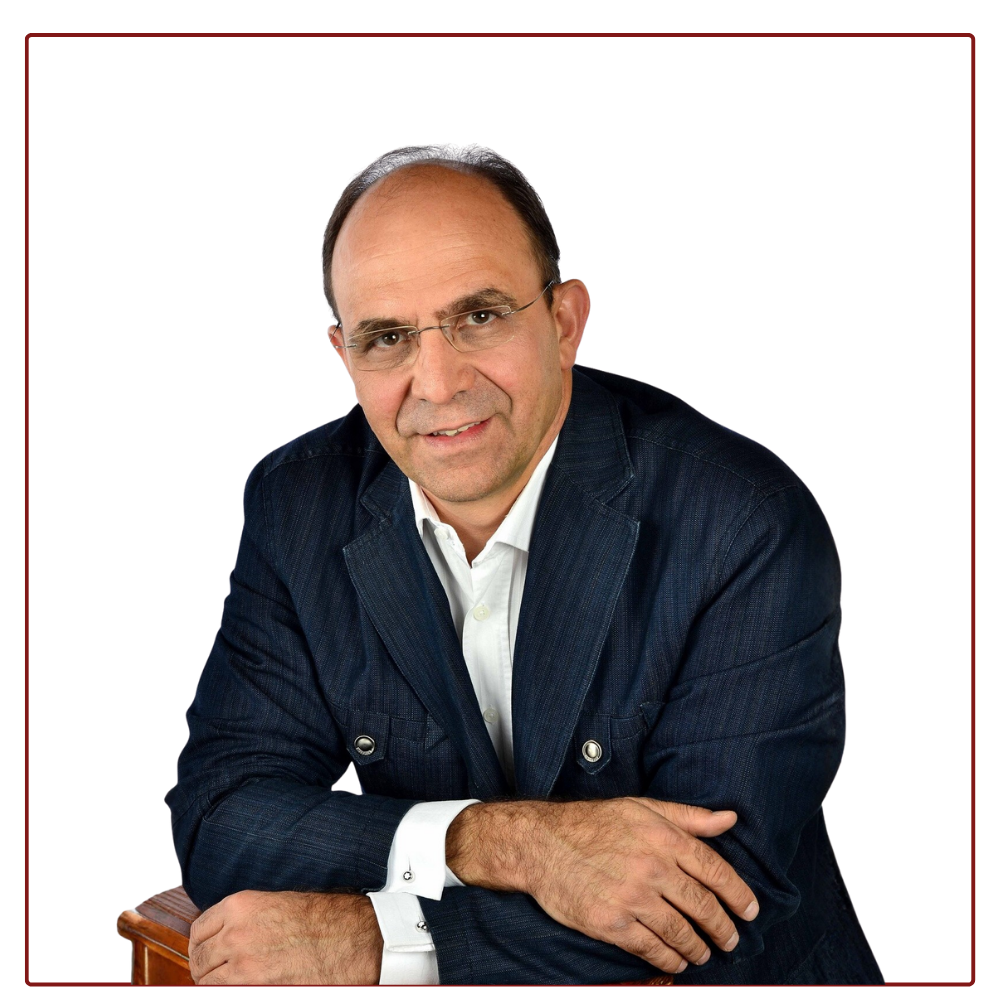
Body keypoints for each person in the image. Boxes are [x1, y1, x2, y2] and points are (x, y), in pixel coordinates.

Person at [166, 145, 883, 986]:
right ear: (344, 355)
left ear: (565, 319)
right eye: (388, 338)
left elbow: (715, 906)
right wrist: (505, 841)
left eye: (479, 316)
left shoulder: (741, 522)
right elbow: (223, 815)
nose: (436, 382)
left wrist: (376, 939)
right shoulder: (300, 503)